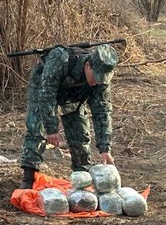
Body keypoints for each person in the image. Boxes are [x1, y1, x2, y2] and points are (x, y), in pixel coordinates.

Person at [18, 43, 119, 189]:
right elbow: (46, 95)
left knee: (80, 133)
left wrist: (105, 149)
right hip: (43, 88)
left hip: (73, 96)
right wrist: (52, 128)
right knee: (36, 127)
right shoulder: (61, 59)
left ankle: (82, 176)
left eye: (102, 79)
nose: (98, 81)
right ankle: (29, 176)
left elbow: (102, 112)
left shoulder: (101, 82)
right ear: (88, 66)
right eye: (96, 77)